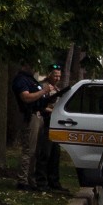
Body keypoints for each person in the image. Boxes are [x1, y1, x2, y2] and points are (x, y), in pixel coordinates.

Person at [14, 63, 54, 190]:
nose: (36, 67)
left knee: (36, 151)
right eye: (33, 64)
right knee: (29, 150)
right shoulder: (21, 80)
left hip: (38, 114)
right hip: (30, 116)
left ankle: (31, 180)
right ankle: (22, 180)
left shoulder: (31, 79)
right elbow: (26, 97)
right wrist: (43, 91)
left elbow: (38, 99)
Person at [34, 64, 68, 192]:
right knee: (45, 154)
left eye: (59, 75)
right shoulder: (42, 87)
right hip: (45, 122)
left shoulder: (57, 88)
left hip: (56, 124)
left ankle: (54, 182)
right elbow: (40, 106)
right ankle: (41, 182)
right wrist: (53, 111)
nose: (57, 78)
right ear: (49, 74)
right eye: (55, 75)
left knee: (55, 154)